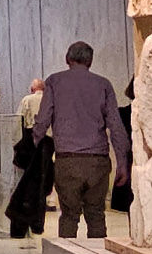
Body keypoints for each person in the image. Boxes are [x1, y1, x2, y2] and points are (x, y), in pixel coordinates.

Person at [29, 41, 129, 239]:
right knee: (96, 216)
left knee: (69, 216)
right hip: (97, 162)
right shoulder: (103, 84)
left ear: (67, 59)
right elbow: (116, 128)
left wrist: (33, 154)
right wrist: (122, 163)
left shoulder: (55, 82)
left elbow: (42, 121)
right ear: (90, 61)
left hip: (67, 161)